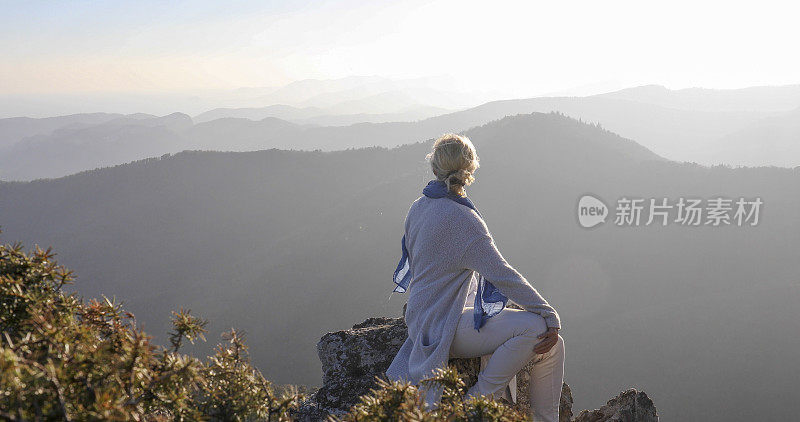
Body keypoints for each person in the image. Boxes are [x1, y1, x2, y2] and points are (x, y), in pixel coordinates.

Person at [385, 133, 565, 422]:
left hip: (424, 318)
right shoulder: (463, 220)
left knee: (553, 344)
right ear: (470, 170)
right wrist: (548, 313)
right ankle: (475, 405)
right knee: (535, 326)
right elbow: (504, 275)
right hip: (445, 325)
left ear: (435, 168)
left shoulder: (418, 207)